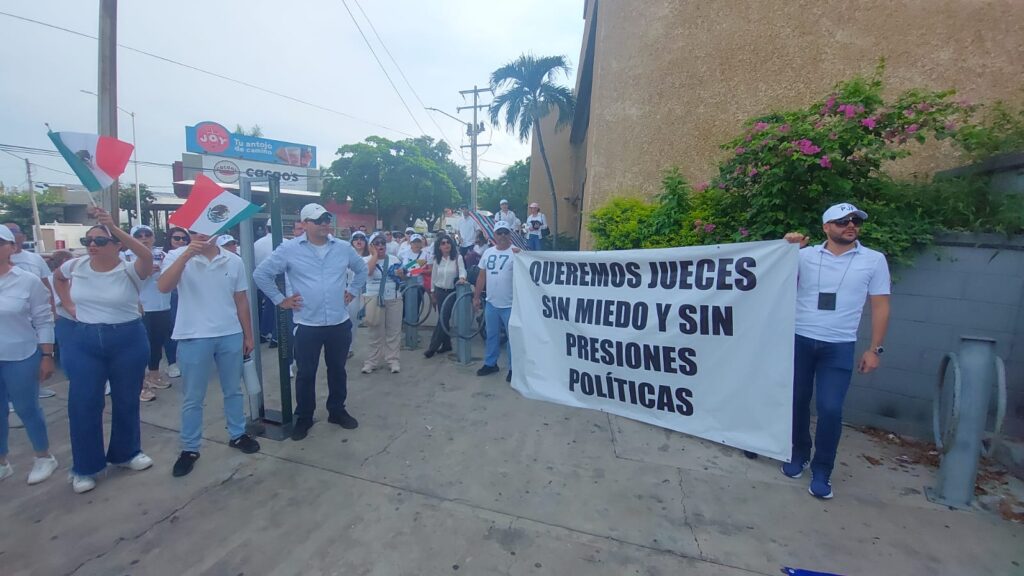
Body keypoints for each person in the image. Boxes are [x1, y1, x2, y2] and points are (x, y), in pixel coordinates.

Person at [782, 203, 891, 500]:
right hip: (800, 340)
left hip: (839, 346)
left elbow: (880, 305)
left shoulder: (873, 260)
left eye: (856, 221)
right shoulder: (804, 256)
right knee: (796, 402)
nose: (850, 225)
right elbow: (775, 284)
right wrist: (786, 250)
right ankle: (798, 453)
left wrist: (874, 349)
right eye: (842, 221)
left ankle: (822, 469)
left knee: (830, 409)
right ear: (826, 227)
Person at [53, 208, 155, 494]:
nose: (92, 246)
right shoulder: (76, 266)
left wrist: (114, 225)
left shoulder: (130, 269)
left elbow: (145, 256)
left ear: (117, 245)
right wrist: (68, 306)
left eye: (100, 241)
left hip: (127, 339)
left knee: (126, 400)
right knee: (83, 403)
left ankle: (127, 453)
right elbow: (57, 278)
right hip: (85, 339)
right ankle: (85, 466)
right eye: (88, 241)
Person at [253, 204, 367, 442]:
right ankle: (304, 416)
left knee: (338, 370)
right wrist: (280, 300)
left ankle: (337, 410)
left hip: (338, 321)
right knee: (306, 373)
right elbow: (260, 274)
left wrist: (353, 290)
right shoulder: (289, 249)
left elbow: (361, 269)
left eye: (327, 218)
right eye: (318, 220)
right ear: (304, 223)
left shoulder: (343, 248)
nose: (325, 223)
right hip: (307, 324)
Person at [159, 228, 260, 477]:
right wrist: (186, 255)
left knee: (233, 389)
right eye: (195, 231)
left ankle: (237, 434)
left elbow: (241, 300)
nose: (202, 235)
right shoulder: (176, 256)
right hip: (193, 335)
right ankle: (190, 447)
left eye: (207, 230)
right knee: (193, 396)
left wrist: (248, 334)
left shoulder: (233, 260)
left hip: (229, 333)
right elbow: (164, 286)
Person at [0, 224, 59, 485]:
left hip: (21, 354)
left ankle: (43, 456)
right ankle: (2, 461)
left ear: (12, 247)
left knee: (27, 408)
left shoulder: (27, 280)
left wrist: (47, 354)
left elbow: (44, 319)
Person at [4, 222, 57, 400]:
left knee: (27, 407)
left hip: (23, 345)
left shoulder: (31, 268)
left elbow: (45, 286)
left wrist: (47, 355)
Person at [123, 225, 173, 402]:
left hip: (161, 305)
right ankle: (139, 384)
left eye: (148, 235)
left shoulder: (163, 255)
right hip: (139, 308)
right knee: (139, 348)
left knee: (157, 343)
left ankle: (153, 375)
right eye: (139, 235)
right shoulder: (125, 256)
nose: (144, 238)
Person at [473, 221, 517, 382]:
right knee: (491, 335)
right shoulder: (488, 253)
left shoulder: (517, 253)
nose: (503, 235)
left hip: (511, 304)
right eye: (500, 233)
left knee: (513, 338)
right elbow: (482, 276)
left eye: (506, 232)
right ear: (494, 235)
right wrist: (476, 297)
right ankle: (491, 363)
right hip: (491, 302)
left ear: (510, 234)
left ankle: (514, 368)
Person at [361, 233, 405, 374]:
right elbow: (368, 272)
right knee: (375, 332)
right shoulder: (365, 260)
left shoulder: (393, 259)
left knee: (394, 331)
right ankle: (371, 362)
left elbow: (403, 277)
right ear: (371, 246)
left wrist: (400, 274)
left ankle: (393, 360)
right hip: (373, 299)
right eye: (377, 243)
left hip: (393, 298)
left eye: (383, 243)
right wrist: (374, 255)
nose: (380, 246)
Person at [424, 234, 466, 359]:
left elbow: (463, 270)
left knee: (443, 318)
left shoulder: (458, 258)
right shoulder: (437, 259)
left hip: (451, 292)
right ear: (439, 246)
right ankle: (447, 344)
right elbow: (434, 276)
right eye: (443, 243)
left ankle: (433, 347)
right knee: (443, 318)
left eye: (448, 242)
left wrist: (462, 278)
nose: (446, 245)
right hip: (439, 291)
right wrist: (432, 292)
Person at [162, 227, 191, 379]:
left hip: (184, 296)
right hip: (164, 299)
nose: (181, 241)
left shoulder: (193, 255)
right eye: (176, 238)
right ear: (169, 240)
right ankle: (172, 363)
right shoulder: (162, 255)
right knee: (171, 331)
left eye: (184, 238)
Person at [347, 231, 370, 356]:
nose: (359, 240)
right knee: (350, 320)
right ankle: (347, 347)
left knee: (356, 321)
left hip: (367, 291)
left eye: (362, 238)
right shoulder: (346, 257)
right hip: (351, 291)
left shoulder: (370, 257)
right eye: (356, 238)